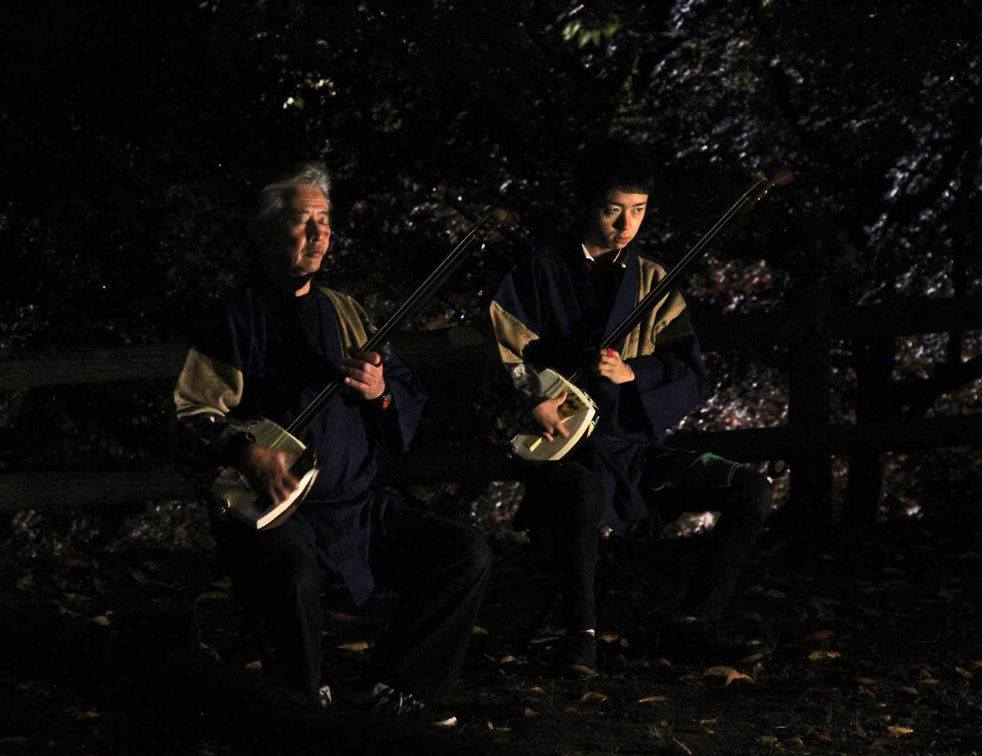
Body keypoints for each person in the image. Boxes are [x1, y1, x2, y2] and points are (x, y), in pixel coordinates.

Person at [173, 163, 491, 725]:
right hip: (279, 513)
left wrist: (380, 392)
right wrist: (245, 449)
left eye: (326, 221)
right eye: (304, 221)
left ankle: (397, 687)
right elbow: (193, 414)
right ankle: (307, 699)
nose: (320, 235)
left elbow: (400, 401)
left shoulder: (345, 311)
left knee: (463, 553)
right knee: (292, 573)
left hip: (356, 506)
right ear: (267, 231)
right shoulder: (231, 319)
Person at [489, 141, 772, 677]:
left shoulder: (653, 282)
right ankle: (581, 638)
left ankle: (693, 623)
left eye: (638, 210)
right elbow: (505, 348)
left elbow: (689, 370)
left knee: (751, 490)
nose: (626, 224)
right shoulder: (537, 270)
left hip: (634, 450)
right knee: (582, 491)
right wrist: (535, 400)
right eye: (613, 209)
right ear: (587, 206)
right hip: (561, 448)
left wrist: (635, 373)